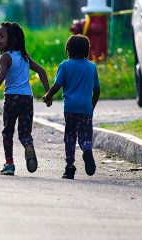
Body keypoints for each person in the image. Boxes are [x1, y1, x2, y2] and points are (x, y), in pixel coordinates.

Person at [0, 22, 50, 176]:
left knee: (8, 132)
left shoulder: (5, 57)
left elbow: (1, 74)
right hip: (27, 98)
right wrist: (48, 93)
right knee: (24, 132)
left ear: (12, 40)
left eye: (1, 36)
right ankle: (28, 145)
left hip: (12, 98)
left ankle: (9, 164)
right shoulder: (24, 57)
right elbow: (41, 71)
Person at [42, 34, 100, 179]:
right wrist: (91, 106)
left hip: (70, 108)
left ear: (68, 49)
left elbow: (57, 85)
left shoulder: (65, 66)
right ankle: (87, 150)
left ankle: (69, 167)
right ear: (87, 50)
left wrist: (48, 96)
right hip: (86, 108)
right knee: (85, 135)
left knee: (70, 137)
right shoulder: (92, 67)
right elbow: (97, 90)